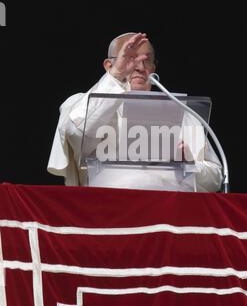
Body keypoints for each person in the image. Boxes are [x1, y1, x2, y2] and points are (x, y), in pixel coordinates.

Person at [47, 32, 223, 192]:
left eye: (146, 60)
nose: (140, 67)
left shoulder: (182, 113)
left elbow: (215, 178)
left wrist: (190, 166)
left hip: (170, 216)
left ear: (153, 69)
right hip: (109, 212)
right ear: (109, 65)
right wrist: (117, 74)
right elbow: (77, 132)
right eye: (130, 58)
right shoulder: (78, 103)